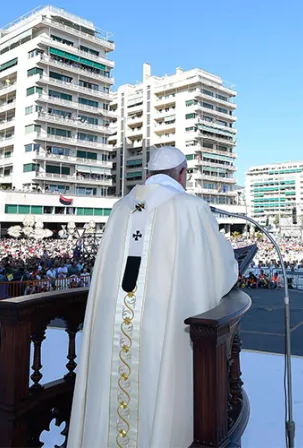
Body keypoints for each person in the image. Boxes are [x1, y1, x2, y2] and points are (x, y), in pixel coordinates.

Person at [68, 146, 238, 448]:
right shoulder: (190, 207)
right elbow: (218, 270)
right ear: (183, 173)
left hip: (115, 328)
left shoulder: (120, 208)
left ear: (148, 174)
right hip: (166, 328)